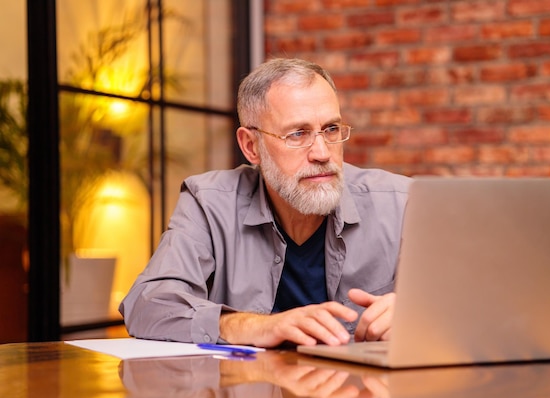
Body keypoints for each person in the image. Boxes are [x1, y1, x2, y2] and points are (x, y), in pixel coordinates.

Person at [119, 58, 412, 348]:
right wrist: (253, 325)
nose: (322, 152)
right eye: (298, 134)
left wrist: (419, 315)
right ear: (251, 146)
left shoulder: (402, 203)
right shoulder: (209, 203)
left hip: (361, 392)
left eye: (332, 129)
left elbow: (455, 300)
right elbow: (147, 304)